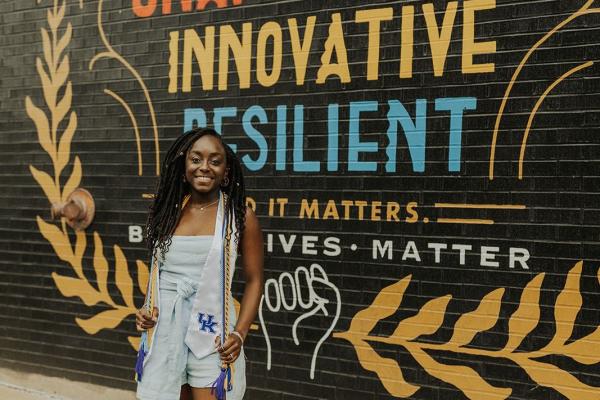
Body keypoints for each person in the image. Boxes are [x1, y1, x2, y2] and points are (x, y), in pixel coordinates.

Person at [134, 128, 264, 400]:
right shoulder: (167, 211)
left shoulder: (239, 216)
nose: (204, 167)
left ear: (226, 172)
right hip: (165, 331)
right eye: (196, 159)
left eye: (215, 161)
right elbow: (160, 272)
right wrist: (146, 308)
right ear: (184, 167)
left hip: (211, 330)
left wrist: (240, 334)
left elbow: (254, 280)